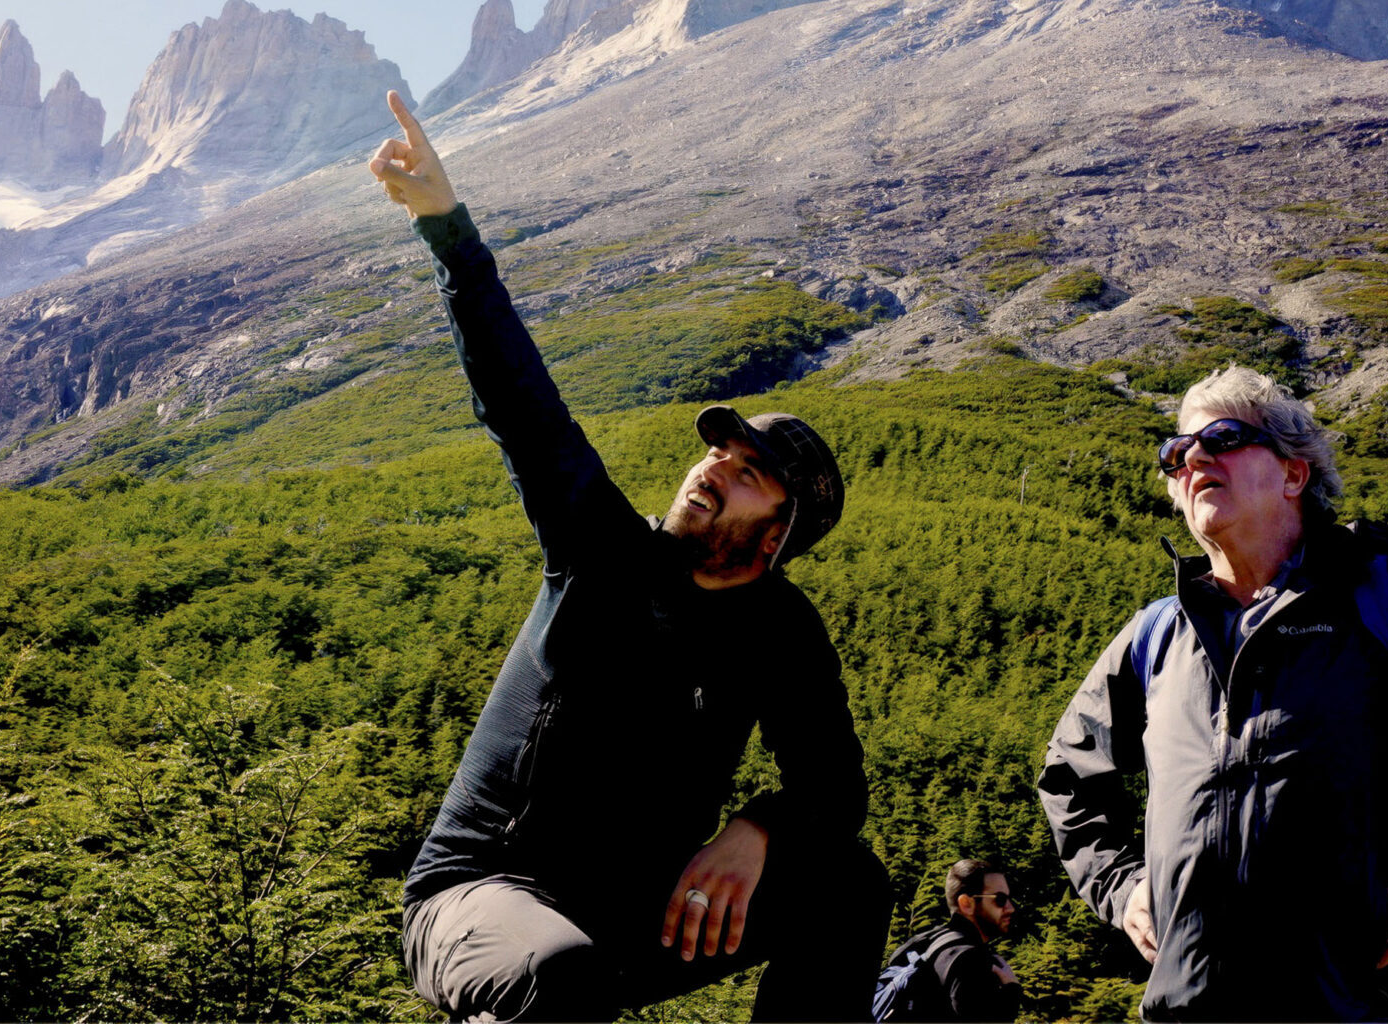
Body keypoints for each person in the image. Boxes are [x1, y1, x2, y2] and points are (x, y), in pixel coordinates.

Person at [368, 91, 889, 1022]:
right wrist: (449, 228)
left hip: (627, 915)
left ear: (778, 536)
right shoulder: (601, 548)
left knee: (847, 885)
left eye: (748, 471)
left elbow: (837, 788)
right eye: (717, 452)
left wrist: (759, 827)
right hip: (480, 894)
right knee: (557, 974)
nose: (713, 468)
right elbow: (520, 403)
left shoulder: (781, 631)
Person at [1038, 364, 1388, 1021]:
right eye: (1176, 451)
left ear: (1295, 474)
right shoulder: (1155, 637)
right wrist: (1121, 886)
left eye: (1224, 436)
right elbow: (1069, 775)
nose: (1195, 458)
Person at [874, 859, 1024, 1022]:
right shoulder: (971, 959)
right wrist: (1012, 991)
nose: (1010, 907)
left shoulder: (922, 943)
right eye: (1000, 899)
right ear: (966, 903)